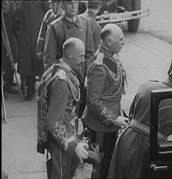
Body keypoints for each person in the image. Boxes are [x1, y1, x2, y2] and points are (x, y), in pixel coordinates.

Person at [82, 23, 128, 178]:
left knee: (107, 165)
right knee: (100, 168)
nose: (124, 42)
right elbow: (93, 102)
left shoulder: (111, 58)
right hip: (101, 127)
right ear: (109, 42)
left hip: (110, 124)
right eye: (120, 39)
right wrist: (115, 120)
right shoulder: (98, 66)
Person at [43, 37, 89, 179]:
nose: (83, 60)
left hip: (67, 141)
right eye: (81, 56)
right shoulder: (61, 82)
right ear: (69, 54)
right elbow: (54, 121)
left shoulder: (63, 71)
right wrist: (72, 144)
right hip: (61, 145)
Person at [44, 0, 95, 117]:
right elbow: (49, 62)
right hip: (64, 80)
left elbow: (89, 54)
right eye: (69, 3)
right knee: (65, 117)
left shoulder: (85, 23)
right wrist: (54, 85)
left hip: (82, 79)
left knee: (82, 114)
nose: (73, 6)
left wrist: (87, 75)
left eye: (75, 3)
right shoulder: (55, 27)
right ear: (62, 5)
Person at [15, 0, 50, 100]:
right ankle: (30, 90)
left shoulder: (44, 3)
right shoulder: (24, 3)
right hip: (28, 35)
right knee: (29, 65)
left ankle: (39, 90)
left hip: (37, 35)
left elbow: (50, 11)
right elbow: (18, 12)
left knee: (38, 64)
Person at [2, 1, 18, 94]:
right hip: (4, 32)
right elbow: (6, 9)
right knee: (4, 60)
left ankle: (8, 83)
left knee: (11, 58)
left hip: (10, 32)